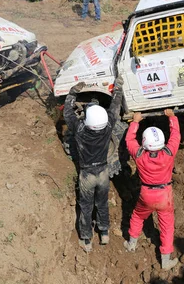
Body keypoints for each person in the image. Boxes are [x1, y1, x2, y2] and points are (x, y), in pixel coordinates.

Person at [63, 77, 123, 252]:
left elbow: (68, 112)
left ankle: (86, 239)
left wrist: (73, 91)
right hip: (103, 172)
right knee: (102, 203)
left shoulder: (80, 130)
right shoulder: (108, 126)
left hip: (87, 175)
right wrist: (118, 87)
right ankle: (104, 233)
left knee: (86, 206)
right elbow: (115, 106)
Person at [123, 109, 181, 270]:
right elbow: (176, 136)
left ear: (144, 141)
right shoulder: (169, 153)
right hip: (164, 195)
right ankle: (165, 260)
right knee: (167, 225)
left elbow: (129, 139)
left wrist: (135, 122)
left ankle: (131, 244)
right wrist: (172, 118)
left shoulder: (139, 154)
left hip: (146, 193)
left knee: (137, 216)